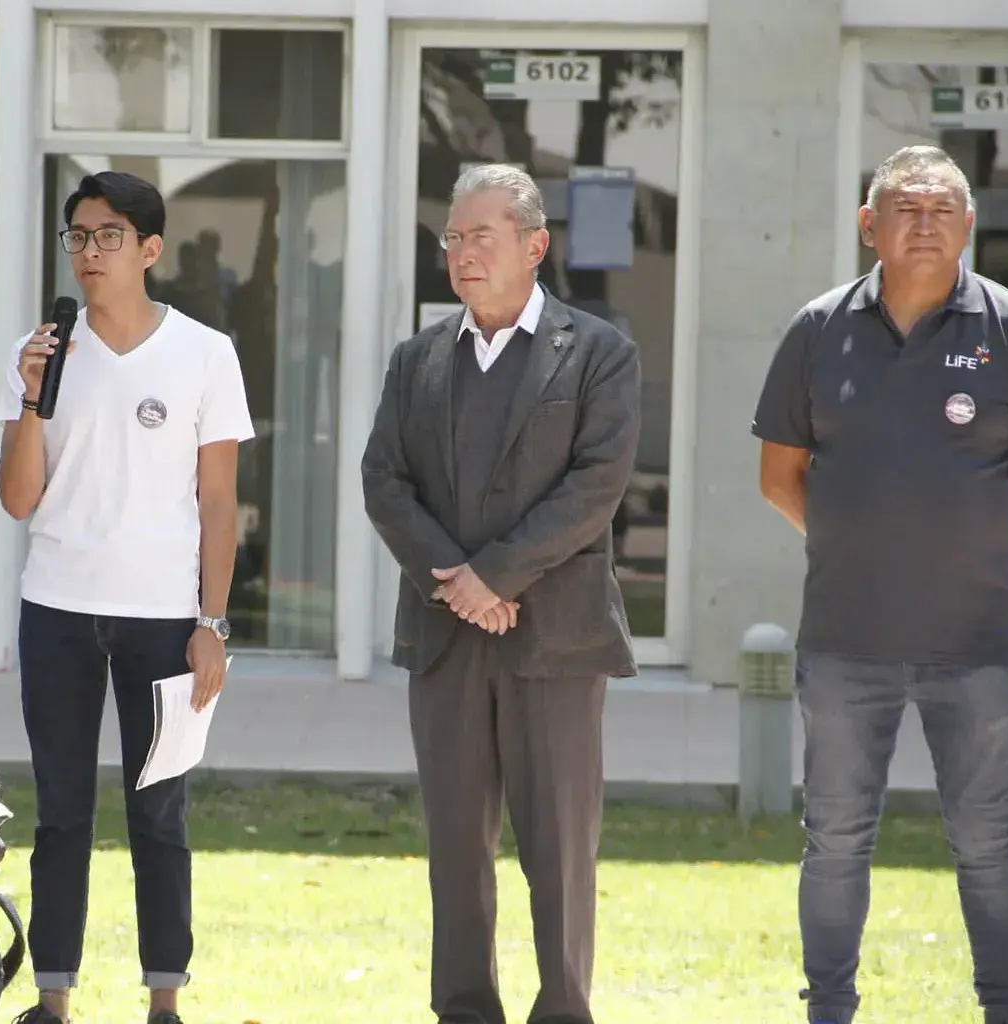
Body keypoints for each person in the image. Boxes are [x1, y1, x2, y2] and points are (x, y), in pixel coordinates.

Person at [751, 144, 1008, 1024]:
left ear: (968, 226)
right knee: (835, 843)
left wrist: (968, 549)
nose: (924, 223)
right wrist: (858, 544)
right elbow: (779, 476)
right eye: (905, 207)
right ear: (870, 226)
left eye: (941, 209)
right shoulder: (817, 330)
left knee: (988, 845)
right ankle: (829, 1010)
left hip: (973, 647)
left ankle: (1003, 1010)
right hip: (843, 644)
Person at [361, 163, 642, 1024]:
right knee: (455, 850)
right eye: (453, 237)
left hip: (557, 641)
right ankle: (464, 1010)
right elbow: (384, 481)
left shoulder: (598, 352)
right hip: (446, 637)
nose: (462, 253)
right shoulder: (418, 359)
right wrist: (457, 583)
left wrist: (496, 576)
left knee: (559, 852)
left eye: (481, 236)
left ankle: (563, 1009)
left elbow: (595, 486)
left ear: (535, 245)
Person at [0, 170, 254, 1024]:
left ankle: (164, 999)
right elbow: (17, 499)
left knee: (159, 815)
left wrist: (212, 622)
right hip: (57, 611)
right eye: (78, 236)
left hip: (165, 619)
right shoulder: (38, 353)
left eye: (109, 236)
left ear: (149, 249)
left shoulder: (205, 353)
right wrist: (32, 397)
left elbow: (219, 502)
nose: (90, 252)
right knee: (61, 813)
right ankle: (53, 996)